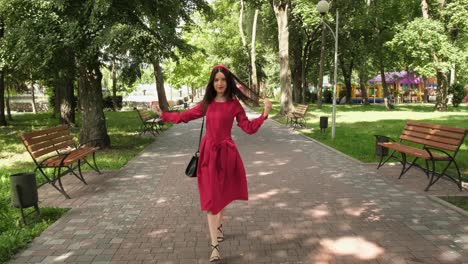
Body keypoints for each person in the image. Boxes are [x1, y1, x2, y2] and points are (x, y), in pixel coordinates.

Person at [154, 64, 272, 262]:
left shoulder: (234, 105)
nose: (219, 83)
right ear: (212, 82)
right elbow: (184, 117)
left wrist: (264, 114)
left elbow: (248, 128)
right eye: (216, 80)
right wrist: (162, 114)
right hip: (208, 155)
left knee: (222, 196)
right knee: (211, 201)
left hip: (227, 155)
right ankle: (214, 247)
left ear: (228, 82)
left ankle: (218, 229)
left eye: (223, 80)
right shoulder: (206, 103)